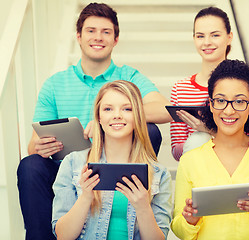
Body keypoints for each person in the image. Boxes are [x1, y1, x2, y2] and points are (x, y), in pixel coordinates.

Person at [17, 3, 171, 240]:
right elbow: (32, 145)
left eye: (106, 31)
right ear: (78, 36)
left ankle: (138, 179)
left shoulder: (128, 77)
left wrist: (110, 119)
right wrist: (43, 146)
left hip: (120, 158)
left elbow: (164, 110)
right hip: (69, 168)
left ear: (116, 39)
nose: (98, 37)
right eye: (90, 30)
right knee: (30, 164)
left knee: (151, 131)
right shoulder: (55, 84)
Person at [171, 59, 249, 239]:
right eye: (221, 100)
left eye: (239, 101)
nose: (229, 111)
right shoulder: (189, 161)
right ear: (211, 104)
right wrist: (189, 220)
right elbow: (178, 228)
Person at [52, 80, 172, 239]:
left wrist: (143, 207)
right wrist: (86, 196)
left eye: (127, 109)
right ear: (99, 117)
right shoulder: (73, 163)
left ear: (137, 116)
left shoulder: (159, 174)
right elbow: (63, 236)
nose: (117, 115)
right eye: (108, 109)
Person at [170, 7, 249, 161]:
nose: (207, 42)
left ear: (229, 37)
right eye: (200, 36)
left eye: (215, 35)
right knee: (198, 140)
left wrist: (209, 130)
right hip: (199, 165)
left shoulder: (247, 82)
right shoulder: (181, 88)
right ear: (194, 39)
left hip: (239, 162)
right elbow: (177, 150)